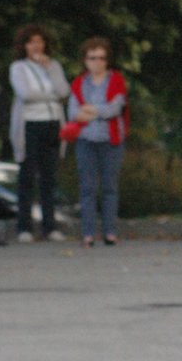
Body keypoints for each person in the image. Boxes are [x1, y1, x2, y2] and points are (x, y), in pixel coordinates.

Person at [63, 36, 129, 246]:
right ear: (85, 60)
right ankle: (88, 234)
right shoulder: (79, 83)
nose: (97, 62)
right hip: (86, 141)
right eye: (93, 58)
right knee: (87, 188)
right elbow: (74, 113)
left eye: (101, 58)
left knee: (110, 188)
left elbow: (114, 109)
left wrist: (91, 110)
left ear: (107, 60)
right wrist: (98, 111)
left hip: (111, 141)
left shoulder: (116, 80)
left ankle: (110, 232)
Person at [8, 24, 70, 242]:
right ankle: (24, 227)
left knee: (49, 177)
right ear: (24, 46)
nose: (36, 46)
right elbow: (25, 94)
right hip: (30, 125)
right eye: (32, 42)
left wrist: (50, 71)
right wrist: (50, 95)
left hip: (53, 123)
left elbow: (63, 91)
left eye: (40, 41)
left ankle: (49, 226)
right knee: (27, 176)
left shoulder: (54, 66)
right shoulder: (18, 68)